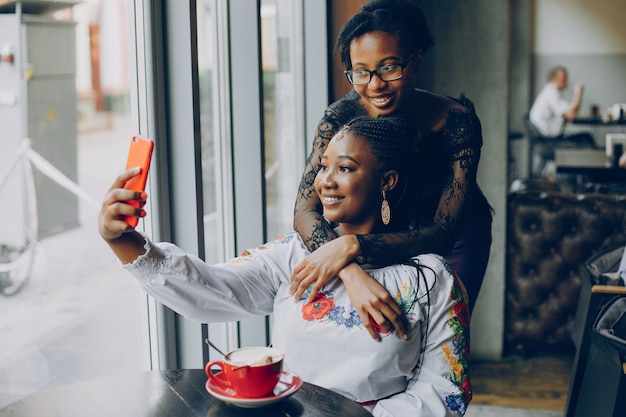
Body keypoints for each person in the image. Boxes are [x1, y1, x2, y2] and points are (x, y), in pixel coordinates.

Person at [98, 116, 472, 417]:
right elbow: (211, 290)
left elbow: (444, 393)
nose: (324, 181)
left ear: (387, 181)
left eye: (344, 168)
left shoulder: (432, 281)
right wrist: (124, 240)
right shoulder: (293, 254)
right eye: (323, 167)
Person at [290, 0, 492, 331]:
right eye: (361, 71)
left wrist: (353, 246)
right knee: (389, 339)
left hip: (455, 240)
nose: (375, 85)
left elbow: (442, 234)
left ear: (416, 61)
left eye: (388, 68)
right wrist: (348, 267)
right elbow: (304, 210)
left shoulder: (455, 120)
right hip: (378, 236)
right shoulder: (339, 118)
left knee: (443, 340)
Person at [529, 66, 596, 142]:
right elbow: (571, 115)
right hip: (547, 137)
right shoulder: (551, 93)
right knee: (586, 138)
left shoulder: (552, 91)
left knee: (586, 137)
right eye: (563, 78)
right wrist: (578, 93)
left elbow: (571, 111)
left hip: (546, 134)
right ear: (552, 78)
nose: (566, 81)